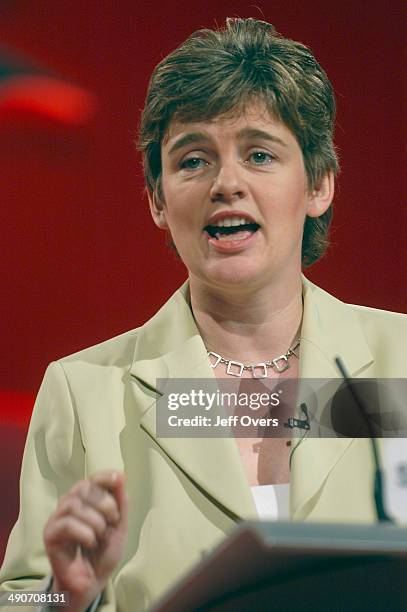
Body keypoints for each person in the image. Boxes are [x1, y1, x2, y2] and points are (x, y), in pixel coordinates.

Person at [1, 17, 406, 612]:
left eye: (259, 154)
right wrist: (63, 596)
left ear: (319, 184)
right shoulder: (84, 390)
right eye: (193, 161)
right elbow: (19, 601)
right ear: (158, 201)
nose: (227, 184)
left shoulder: (399, 360)